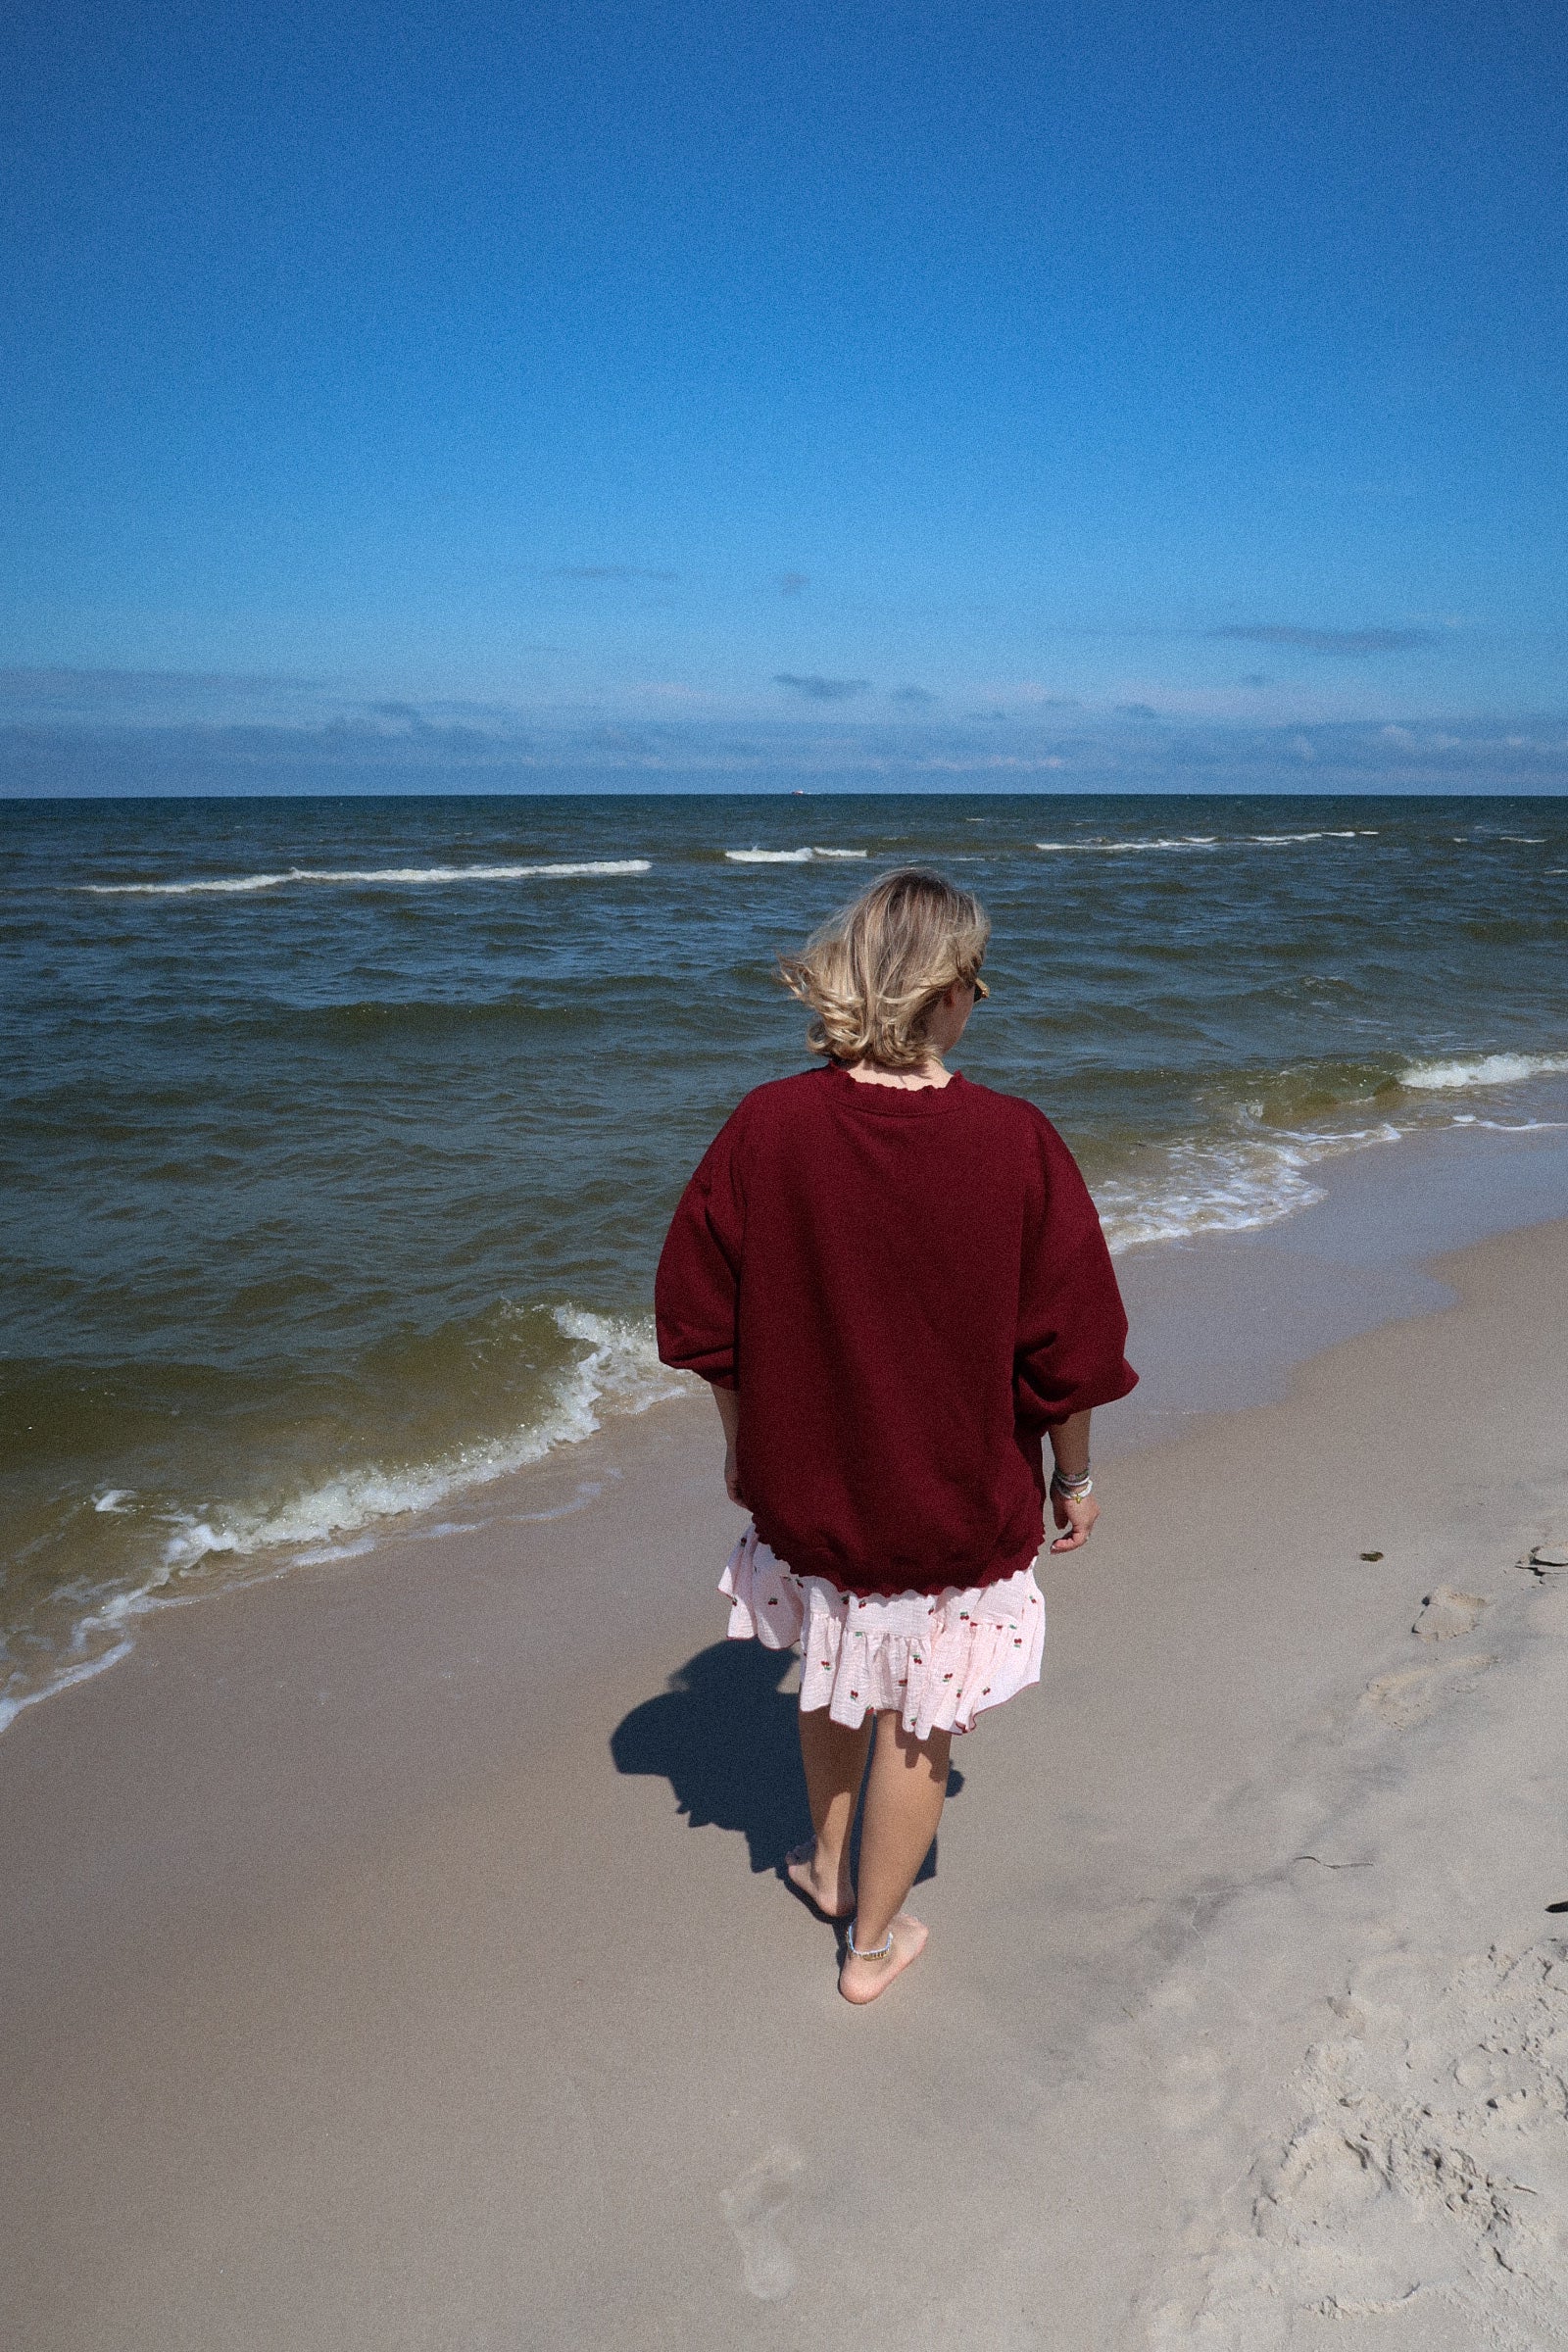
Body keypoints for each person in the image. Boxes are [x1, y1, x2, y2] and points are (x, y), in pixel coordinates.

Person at [655, 867, 1136, 2003]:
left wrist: (742, 1445)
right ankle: (870, 1948)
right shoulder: (1014, 1141)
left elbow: (700, 1314)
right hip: (951, 1501)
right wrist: (1073, 1478)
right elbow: (1065, 1346)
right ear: (954, 990)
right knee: (920, 1721)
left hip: (809, 1484)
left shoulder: (766, 1124)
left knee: (832, 1667)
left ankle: (828, 1866)